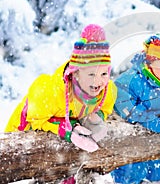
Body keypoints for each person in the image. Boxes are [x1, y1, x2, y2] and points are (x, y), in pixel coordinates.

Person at [5, 24, 117, 153]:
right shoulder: (50, 91)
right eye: (91, 74)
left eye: (103, 74)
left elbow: (106, 107)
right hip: (20, 141)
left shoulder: (108, 90)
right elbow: (36, 120)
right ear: (76, 73)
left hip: (59, 155)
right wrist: (68, 131)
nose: (98, 81)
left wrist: (95, 118)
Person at [110, 32, 160, 184]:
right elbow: (121, 100)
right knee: (133, 169)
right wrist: (148, 119)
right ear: (150, 62)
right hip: (133, 136)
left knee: (158, 170)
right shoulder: (134, 79)